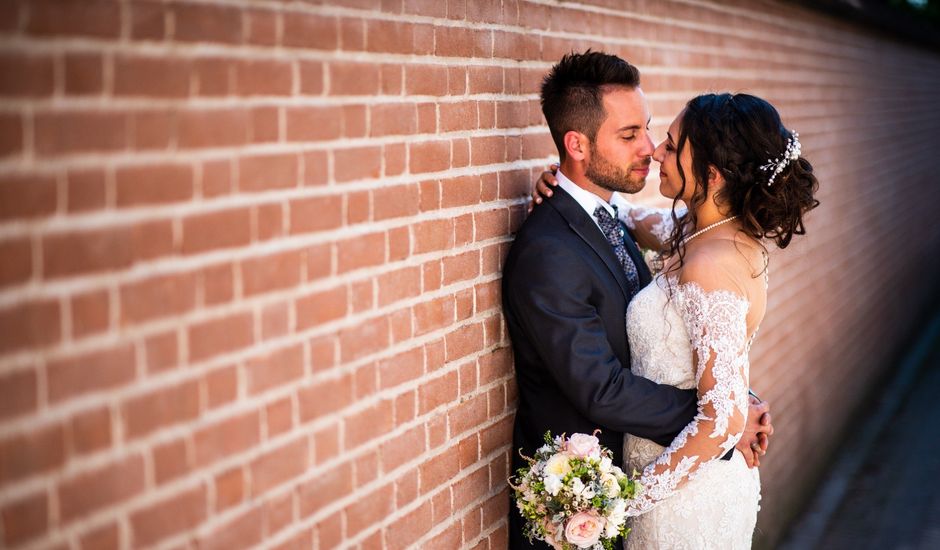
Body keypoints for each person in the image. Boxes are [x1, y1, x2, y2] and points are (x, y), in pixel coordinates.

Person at [502, 50, 781, 549]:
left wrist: (733, 405)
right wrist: (724, 419)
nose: (651, 149)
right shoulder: (550, 251)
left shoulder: (629, 224)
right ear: (577, 145)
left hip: (669, 492)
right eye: (630, 135)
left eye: (652, 132)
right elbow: (601, 389)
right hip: (587, 504)